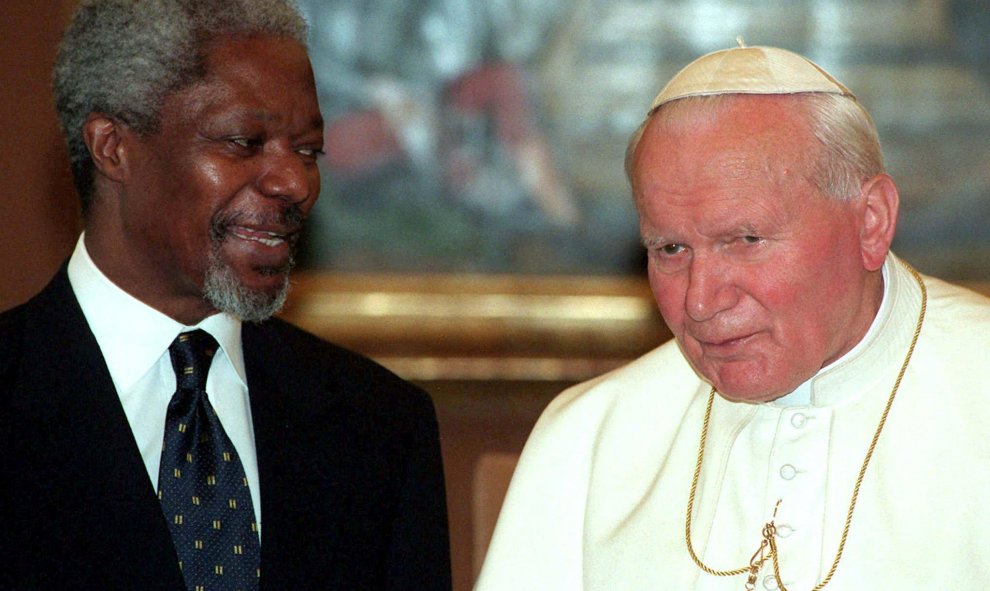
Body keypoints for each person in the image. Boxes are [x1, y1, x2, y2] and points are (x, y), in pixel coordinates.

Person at [475, 43, 990, 590]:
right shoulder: (586, 437)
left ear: (870, 222)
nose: (700, 301)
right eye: (671, 249)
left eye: (745, 239)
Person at [0, 1, 450, 590]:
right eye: (244, 141)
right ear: (113, 147)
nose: (294, 184)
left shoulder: (380, 429)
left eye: (308, 150)